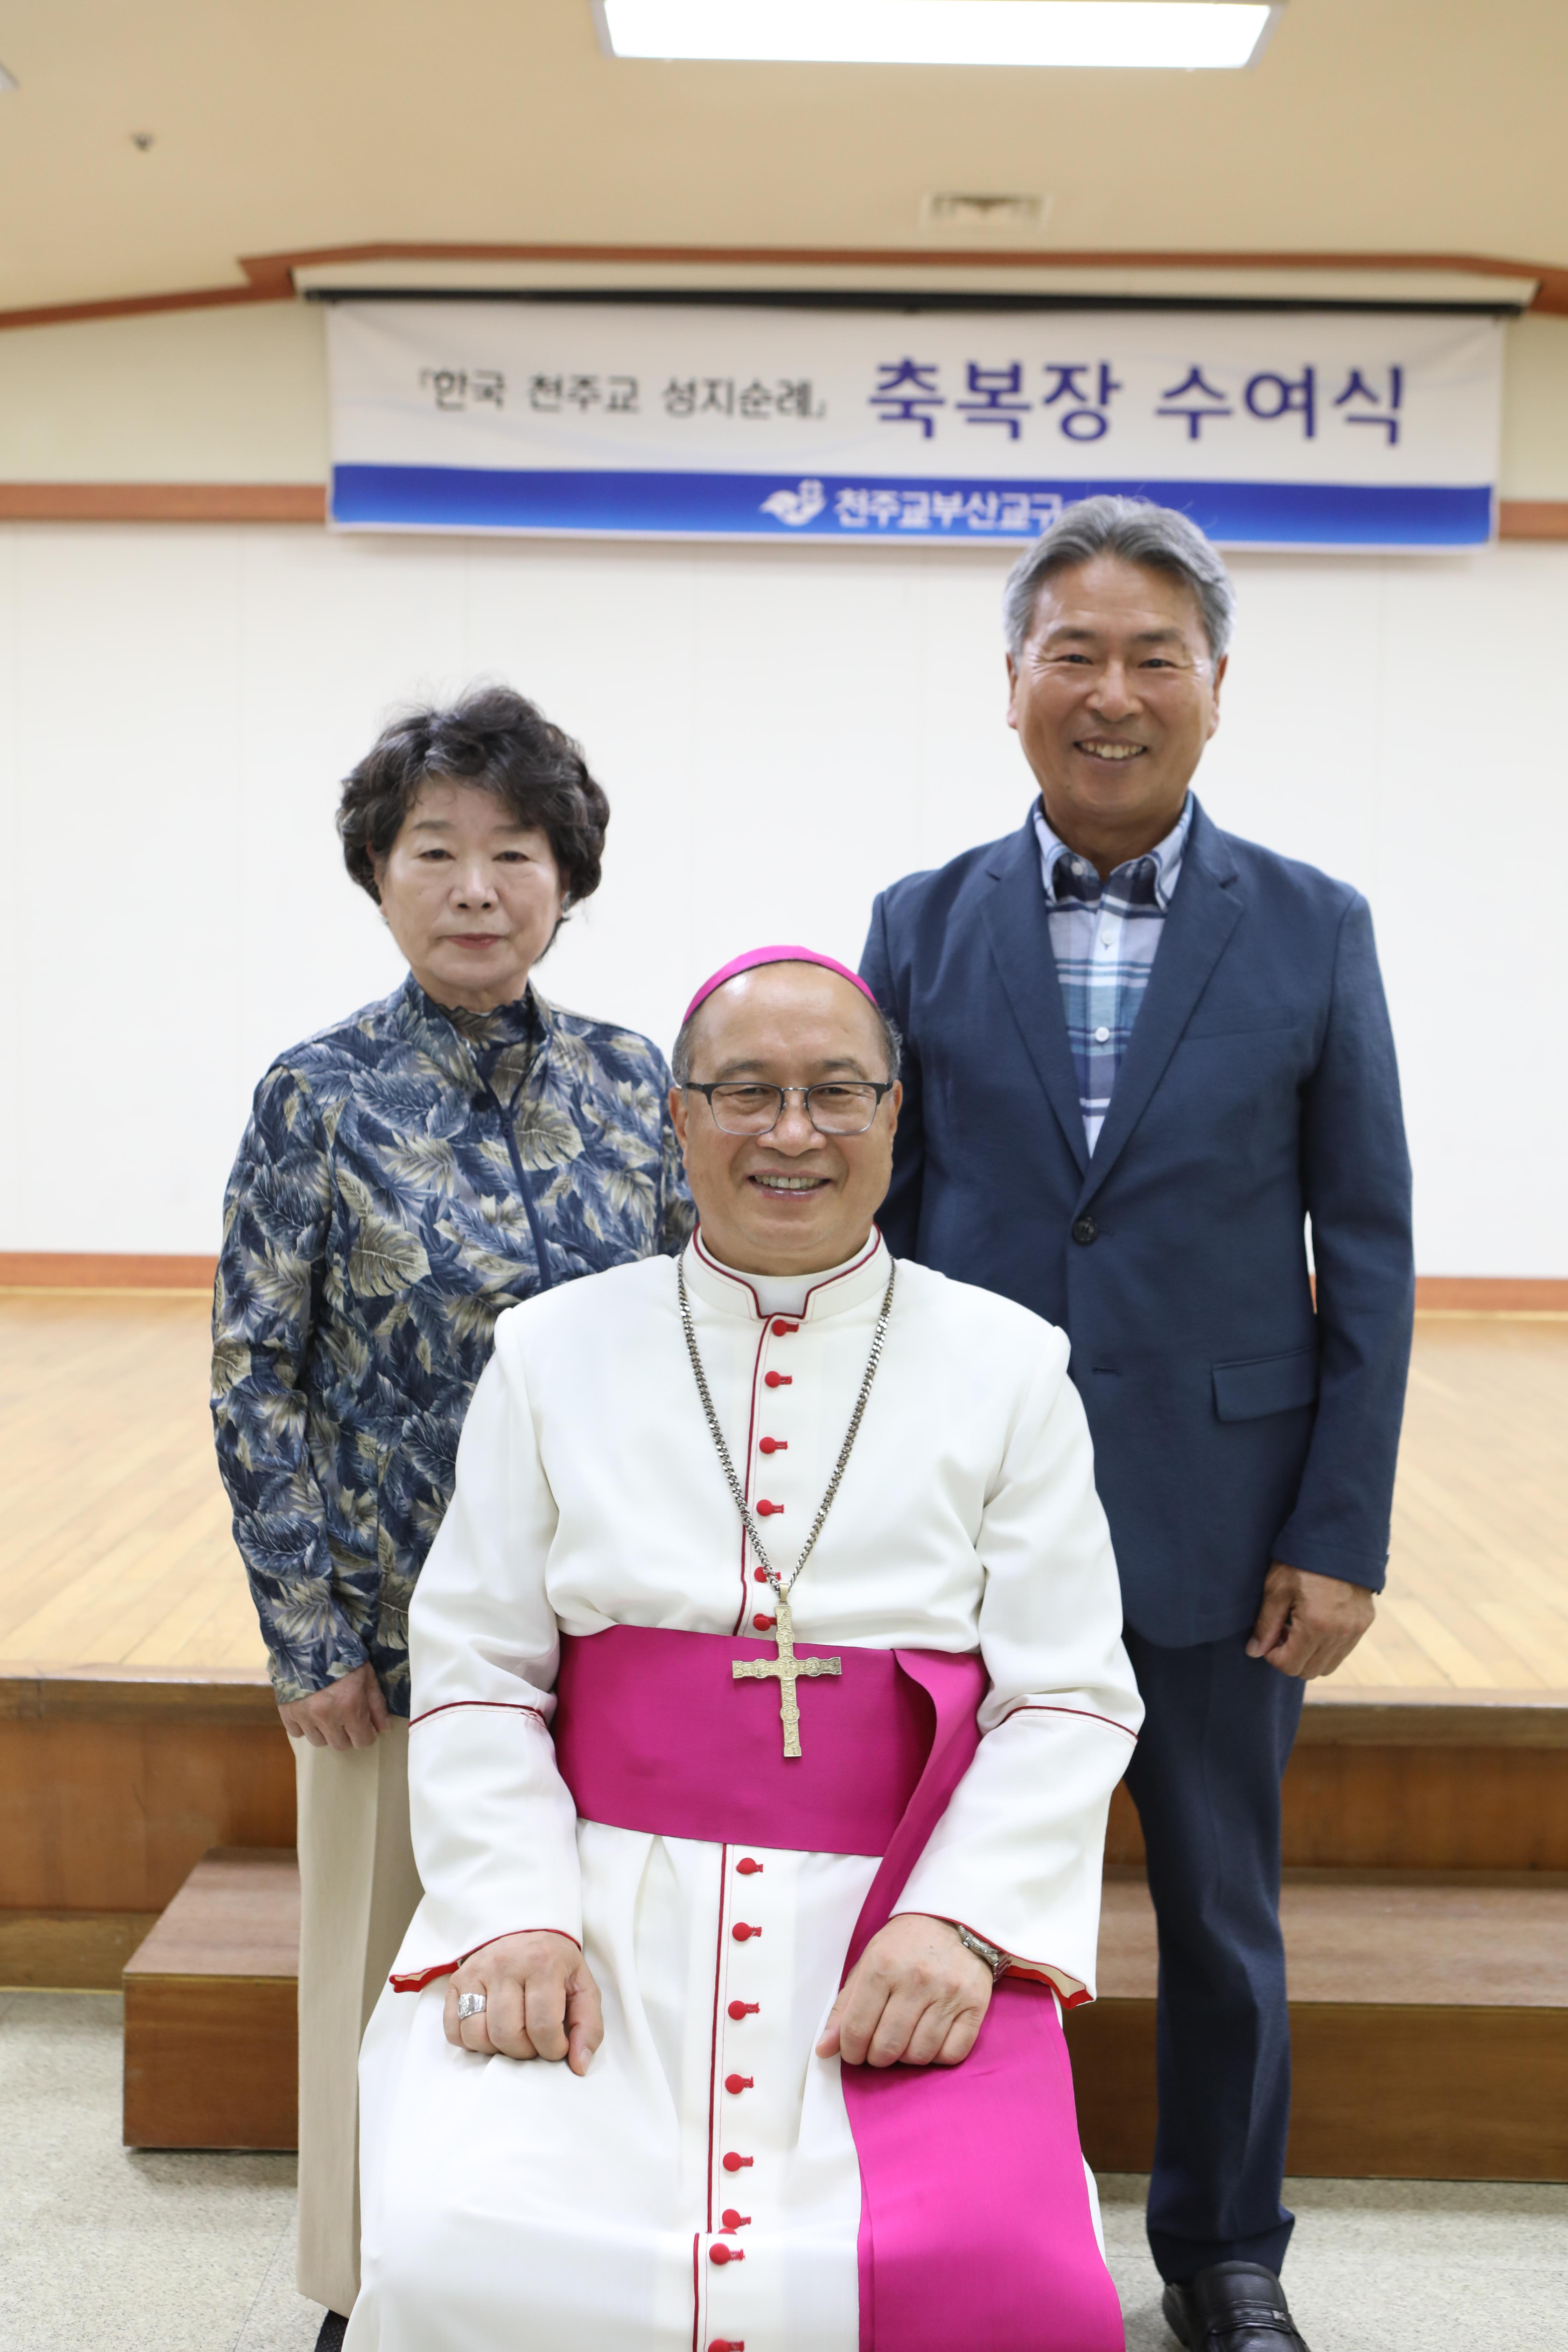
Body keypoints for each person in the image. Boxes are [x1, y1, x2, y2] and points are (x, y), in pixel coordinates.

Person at [345, 945, 1144, 2352]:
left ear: (897, 1115)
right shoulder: (550, 1351)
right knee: (472, 2244)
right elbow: (474, 1663)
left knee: (1001, 2274)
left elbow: (1068, 1696)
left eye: (837, 1094)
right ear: (678, 1115)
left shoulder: (1010, 1364)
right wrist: (519, 1912)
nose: (792, 1134)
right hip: (599, 1895)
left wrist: (958, 1924)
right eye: (746, 1094)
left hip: (891, 1916)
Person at [859, 497, 1415, 2352]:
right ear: (1012, 682)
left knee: (1221, 1921)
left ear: (1217, 689)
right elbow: (873, 1218)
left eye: (1152, 657)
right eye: (1073, 655)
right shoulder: (919, 924)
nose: (1113, 693)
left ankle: (1227, 2253)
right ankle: (926, 2229)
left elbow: (1376, 1247)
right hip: (957, 1515)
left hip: (1224, 1509)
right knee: (930, 1887)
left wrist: (1341, 1526)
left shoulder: (1316, 929)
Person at [211, 686, 692, 2339]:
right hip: (393, 1639)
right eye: (436, 851)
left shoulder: (645, 1086)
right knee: (372, 1972)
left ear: (568, 876)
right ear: (378, 873)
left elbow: (701, 1337)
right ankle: (359, 2286)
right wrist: (308, 1631)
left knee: (608, 1957)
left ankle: (560, 2268)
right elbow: (254, 1377)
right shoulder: (318, 1095)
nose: (477, 885)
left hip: (616, 1627)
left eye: (515, 850)